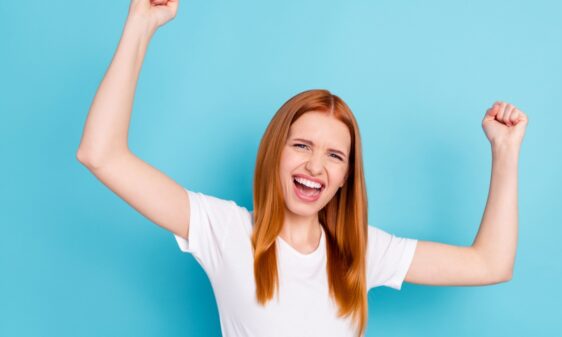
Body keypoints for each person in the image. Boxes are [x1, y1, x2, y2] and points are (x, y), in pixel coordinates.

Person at [76, 1, 529, 336]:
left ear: (346, 176)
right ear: (276, 151)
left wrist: (505, 153)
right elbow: (101, 154)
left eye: (335, 155)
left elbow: (490, 263)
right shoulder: (225, 231)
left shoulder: (360, 251)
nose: (315, 165)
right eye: (302, 146)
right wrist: (141, 23)